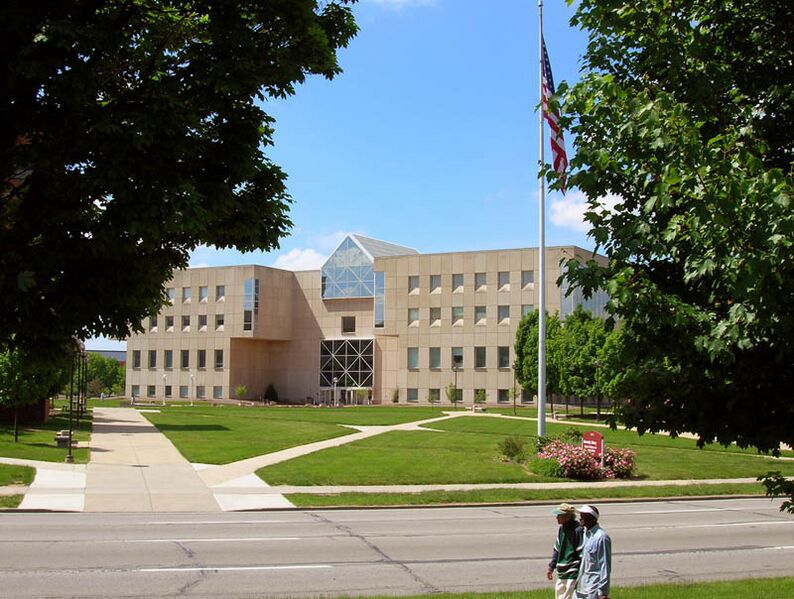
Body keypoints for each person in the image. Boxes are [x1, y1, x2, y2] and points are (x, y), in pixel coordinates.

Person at [547, 502, 584, 599]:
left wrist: (582, 570)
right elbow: (557, 549)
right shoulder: (562, 529)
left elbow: (581, 552)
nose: (556, 517)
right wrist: (551, 567)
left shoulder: (578, 530)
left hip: (573, 571)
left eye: (559, 515)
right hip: (561, 571)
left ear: (567, 516)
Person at [576, 505, 611, 599]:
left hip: (593, 589)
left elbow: (605, 565)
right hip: (580, 587)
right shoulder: (585, 534)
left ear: (591, 518)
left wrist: (603, 592)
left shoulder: (601, 537)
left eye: (583, 516)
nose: (580, 518)